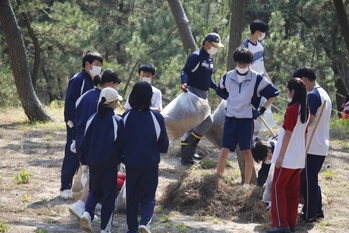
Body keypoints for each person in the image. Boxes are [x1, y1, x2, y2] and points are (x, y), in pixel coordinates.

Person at [215, 45, 279, 187]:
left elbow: (273, 93)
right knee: (224, 149)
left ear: (250, 63)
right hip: (230, 118)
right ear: (235, 62)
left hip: (246, 120)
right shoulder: (228, 76)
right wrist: (230, 99)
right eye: (239, 62)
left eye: (244, 63)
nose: (241, 65)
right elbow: (220, 90)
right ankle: (217, 181)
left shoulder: (257, 78)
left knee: (247, 151)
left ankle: (246, 184)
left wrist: (261, 109)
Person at [69, 69, 121, 220]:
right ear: (110, 84)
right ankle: (81, 206)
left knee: (92, 175)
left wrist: (74, 138)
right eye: (115, 86)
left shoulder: (85, 95)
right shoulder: (101, 99)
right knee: (94, 177)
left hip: (80, 138)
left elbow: (75, 114)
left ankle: (85, 206)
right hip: (91, 141)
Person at [122, 81, 169, 233]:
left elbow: (120, 142)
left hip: (131, 163)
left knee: (132, 197)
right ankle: (145, 221)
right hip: (150, 163)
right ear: (150, 98)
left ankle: (132, 228)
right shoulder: (157, 117)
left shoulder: (126, 116)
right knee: (148, 196)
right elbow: (164, 146)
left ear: (132, 96)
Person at [267, 78, 309, 233]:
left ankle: (280, 224)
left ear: (292, 92)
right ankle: (291, 224)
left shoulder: (292, 109)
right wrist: (302, 158)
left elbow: (288, 133)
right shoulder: (305, 109)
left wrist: (280, 156)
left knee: (278, 189)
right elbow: (304, 135)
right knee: (292, 192)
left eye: (287, 91)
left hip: (287, 156)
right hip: (298, 156)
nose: (287, 94)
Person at [80, 87, 124, 233]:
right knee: (109, 196)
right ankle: (105, 228)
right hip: (109, 164)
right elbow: (121, 145)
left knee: (94, 190)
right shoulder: (117, 120)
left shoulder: (91, 119)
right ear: (112, 103)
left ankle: (87, 212)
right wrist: (121, 160)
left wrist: (84, 160)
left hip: (93, 162)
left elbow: (84, 142)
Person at [61, 50, 103, 199]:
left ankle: (82, 189)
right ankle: (65, 187)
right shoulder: (78, 79)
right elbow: (70, 102)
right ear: (87, 64)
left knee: (85, 156)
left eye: (100, 65)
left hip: (89, 125)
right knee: (72, 154)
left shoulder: (94, 81)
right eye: (97, 65)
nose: (99, 68)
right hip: (76, 124)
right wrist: (71, 122)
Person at [293, 66, 332, 224]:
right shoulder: (324, 93)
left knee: (306, 181)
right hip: (320, 143)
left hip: (312, 144)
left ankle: (309, 215)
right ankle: (318, 210)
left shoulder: (314, 95)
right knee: (311, 179)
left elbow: (307, 120)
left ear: (304, 80)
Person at [180, 32, 224, 165]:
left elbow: (207, 79)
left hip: (203, 94)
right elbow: (185, 71)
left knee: (195, 123)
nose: (215, 48)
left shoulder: (209, 58)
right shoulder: (196, 56)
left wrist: (217, 89)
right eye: (214, 46)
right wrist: (184, 82)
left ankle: (187, 155)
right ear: (206, 44)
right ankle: (190, 149)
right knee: (206, 121)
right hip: (193, 92)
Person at [242, 19, 276, 141]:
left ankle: (255, 137)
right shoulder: (245, 46)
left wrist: (268, 79)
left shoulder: (260, 46)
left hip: (262, 80)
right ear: (257, 32)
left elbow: (262, 65)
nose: (263, 34)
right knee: (252, 110)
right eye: (262, 32)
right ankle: (248, 137)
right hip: (252, 83)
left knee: (262, 110)